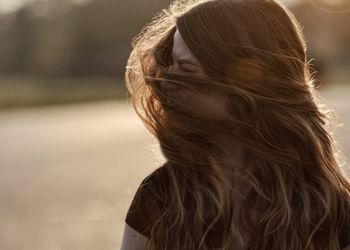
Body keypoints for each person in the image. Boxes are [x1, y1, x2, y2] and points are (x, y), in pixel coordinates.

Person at [121, 0, 350, 249]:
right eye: (170, 63)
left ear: (244, 80)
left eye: (186, 68)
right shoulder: (163, 193)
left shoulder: (327, 205)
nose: (166, 81)